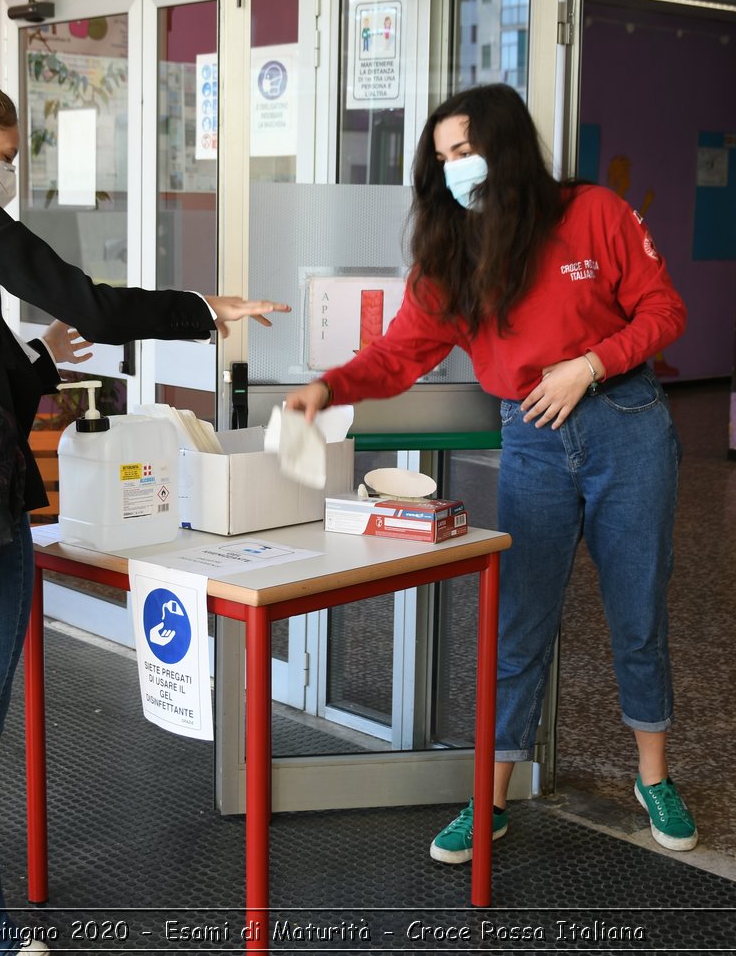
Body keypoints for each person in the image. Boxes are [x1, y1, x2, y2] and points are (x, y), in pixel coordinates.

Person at [0, 61, 288, 953]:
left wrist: (42, 359)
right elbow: (88, 298)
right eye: (1, 155)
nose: (4, 173)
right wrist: (205, 308)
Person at [284, 83, 694, 863]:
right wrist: (329, 387)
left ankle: (654, 778)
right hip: (534, 442)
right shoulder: (451, 256)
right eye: (442, 160)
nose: (455, 171)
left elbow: (663, 311)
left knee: (637, 612)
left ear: (504, 148)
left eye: (464, 151)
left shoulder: (593, 213)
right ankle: (490, 798)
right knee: (519, 625)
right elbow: (399, 353)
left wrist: (589, 365)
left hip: (626, 424)